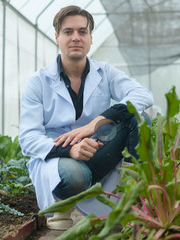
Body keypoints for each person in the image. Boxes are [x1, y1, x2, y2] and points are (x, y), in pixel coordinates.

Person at [19, 5, 153, 230]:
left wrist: (97, 122)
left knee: (140, 119)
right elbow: (28, 138)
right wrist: (69, 149)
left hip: (97, 150)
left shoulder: (105, 72)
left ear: (91, 38)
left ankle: (130, 196)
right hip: (60, 160)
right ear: (57, 37)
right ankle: (62, 206)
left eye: (82, 31)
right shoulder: (38, 81)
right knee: (76, 175)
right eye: (68, 32)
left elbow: (143, 95)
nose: (76, 37)